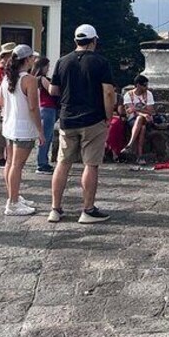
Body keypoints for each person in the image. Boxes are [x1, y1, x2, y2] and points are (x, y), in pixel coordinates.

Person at [48, 24, 115, 224]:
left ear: (76, 41)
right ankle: (87, 209)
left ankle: (55, 209)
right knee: (91, 164)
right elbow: (108, 92)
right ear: (94, 41)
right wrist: (108, 116)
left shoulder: (62, 61)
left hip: (67, 118)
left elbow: (53, 90)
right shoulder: (100, 62)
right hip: (93, 118)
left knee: (62, 163)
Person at [0, 45, 45, 216]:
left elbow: (2, 102)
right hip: (23, 127)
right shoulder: (29, 80)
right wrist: (40, 130)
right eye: (32, 58)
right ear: (27, 60)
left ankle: (13, 196)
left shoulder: (7, 78)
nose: (34, 61)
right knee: (17, 166)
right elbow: (33, 107)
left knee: (11, 163)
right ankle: (12, 203)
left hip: (10, 125)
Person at [123, 75, 155, 165]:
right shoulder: (128, 95)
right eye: (144, 85)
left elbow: (151, 110)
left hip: (147, 119)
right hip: (133, 119)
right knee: (142, 127)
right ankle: (140, 156)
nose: (146, 87)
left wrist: (136, 109)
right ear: (138, 85)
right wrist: (143, 112)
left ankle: (130, 144)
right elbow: (130, 111)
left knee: (141, 119)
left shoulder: (148, 94)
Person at [0, 42, 16, 169]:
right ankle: (2, 157)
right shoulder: (3, 67)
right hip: (5, 100)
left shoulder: (4, 66)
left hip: (4, 99)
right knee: (5, 129)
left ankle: (5, 156)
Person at [33, 56, 57, 175]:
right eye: (47, 66)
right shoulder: (42, 78)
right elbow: (51, 90)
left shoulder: (33, 79)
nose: (48, 68)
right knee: (45, 137)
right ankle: (41, 163)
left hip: (43, 108)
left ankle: (43, 161)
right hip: (47, 108)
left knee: (46, 136)